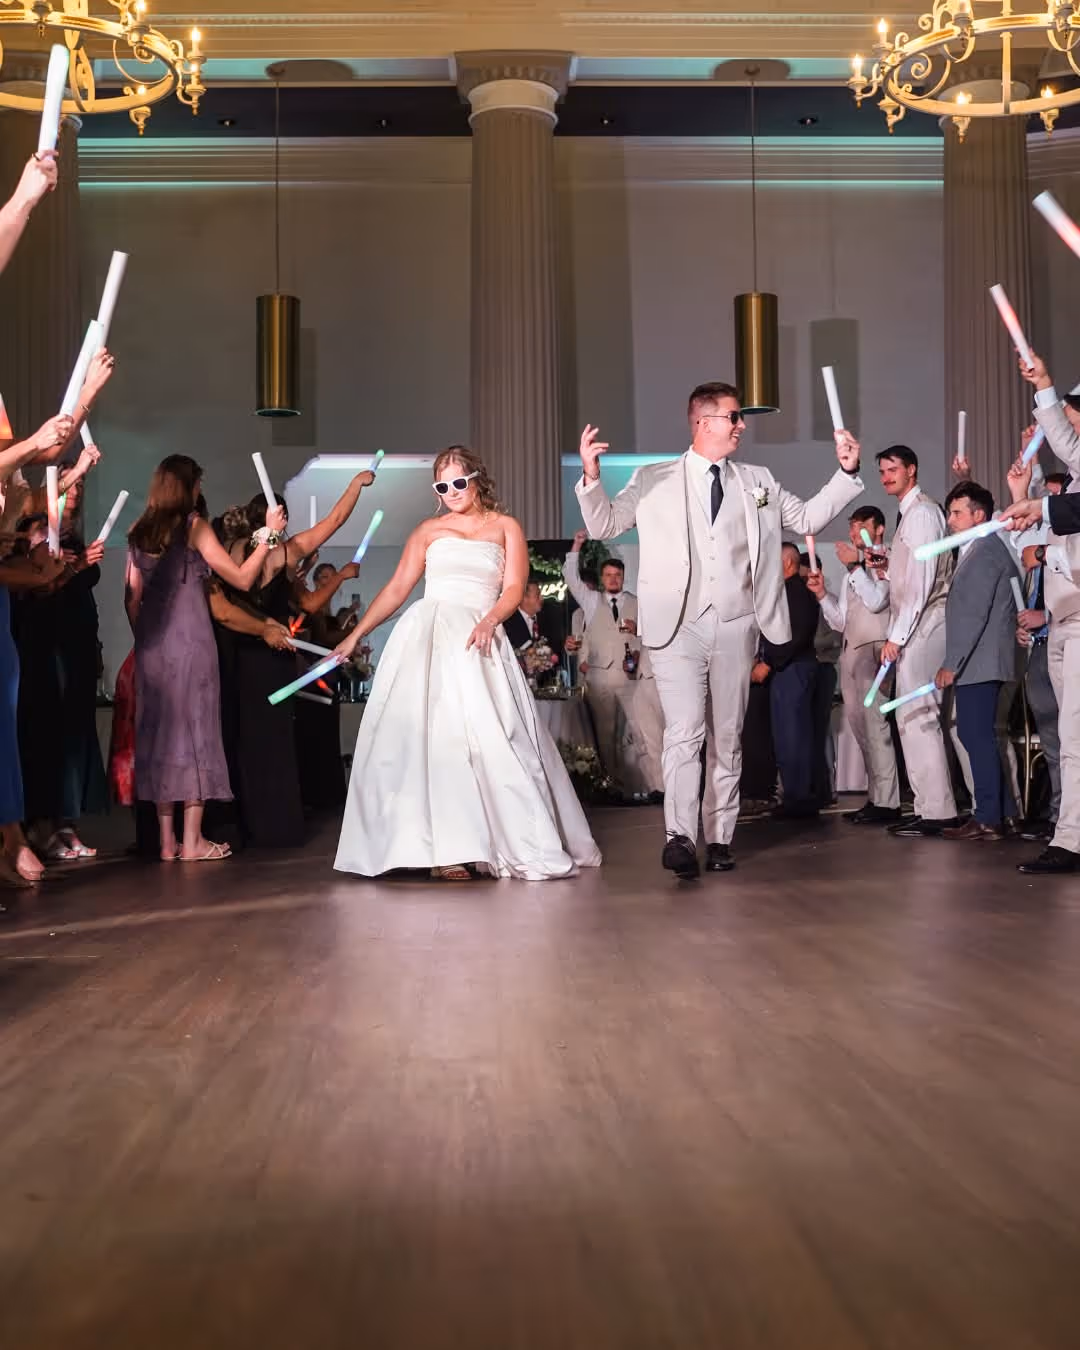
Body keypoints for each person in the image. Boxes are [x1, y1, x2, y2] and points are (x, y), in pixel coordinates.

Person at [575, 381, 863, 878]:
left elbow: (809, 516)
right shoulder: (653, 478)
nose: (741, 426)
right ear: (703, 422)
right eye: (733, 417)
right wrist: (590, 475)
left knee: (726, 737)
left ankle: (721, 835)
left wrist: (846, 471)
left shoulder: (759, 480)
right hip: (675, 627)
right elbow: (604, 525)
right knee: (683, 732)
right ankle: (679, 837)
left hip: (736, 623)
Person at [333, 446, 601, 881]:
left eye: (459, 482)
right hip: (429, 638)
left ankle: (485, 842)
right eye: (443, 485)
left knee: (491, 741)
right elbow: (398, 588)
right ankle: (442, 851)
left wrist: (491, 620)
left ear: (477, 480)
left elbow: (513, 587)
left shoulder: (505, 527)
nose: (452, 491)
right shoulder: (427, 531)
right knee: (434, 744)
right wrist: (354, 635)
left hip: (478, 639)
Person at [126, 455, 286, 863]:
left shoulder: (138, 531)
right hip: (192, 644)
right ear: (190, 485)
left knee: (161, 738)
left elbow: (132, 598)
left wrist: (147, 641)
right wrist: (269, 535)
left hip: (152, 648)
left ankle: (166, 843)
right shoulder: (194, 527)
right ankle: (193, 841)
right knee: (196, 736)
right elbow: (241, 578)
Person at [1000, 351, 1080, 871]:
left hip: (1077, 621)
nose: (1069, 418)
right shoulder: (1075, 472)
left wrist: (1038, 508)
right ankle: (1069, 834)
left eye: (1075, 409)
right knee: (1070, 738)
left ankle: (1070, 840)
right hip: (1063, 621)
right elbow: (1063, 441)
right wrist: (1045, 385)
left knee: (1073, 737)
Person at [874, 446, 959, 838]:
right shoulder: (911, 513)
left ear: (912, 469)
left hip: (925, 624)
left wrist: (896, 635)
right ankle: (927, 806)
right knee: (912, 719)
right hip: (918, 623)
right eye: (882, 471)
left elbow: (923, 582)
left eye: (893, 469)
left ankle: (938, 811)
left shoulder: (923, 512)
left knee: (919, 717)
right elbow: (909, 575)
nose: (886, 475)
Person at [934, 482, 1021, 841]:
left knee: (975, 736)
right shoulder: (982, 547)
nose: (950, 520)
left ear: (979, 516)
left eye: (957, 513)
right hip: (983, 660)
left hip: (980, 662)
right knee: (980, 736)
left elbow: (973, 615)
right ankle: (1001, 813)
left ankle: (988, 817)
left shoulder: (985, 551)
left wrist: (951, 663)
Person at [807, 505, 899, 823]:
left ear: (879, 530)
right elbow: (840, 621)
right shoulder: (854, 571)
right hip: (850, 654)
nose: (854, 530)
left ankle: (889, 803)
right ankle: (876, 799)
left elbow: (877, 601)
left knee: (877, 727)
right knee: (861, 731)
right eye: (851, 525)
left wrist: (853, 569)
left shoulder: (886, 559)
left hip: (875, 652)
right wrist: (822, 596)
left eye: (861, 524)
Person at [758, 543, 823, 819]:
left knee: (792, 734)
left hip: (792, 668)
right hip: (791, 668)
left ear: (787, 563)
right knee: (790, 734)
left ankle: (799, 798)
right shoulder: (790, 591)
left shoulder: (795, 592)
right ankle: (797, 795)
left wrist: (768, 663)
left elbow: (792, 635)